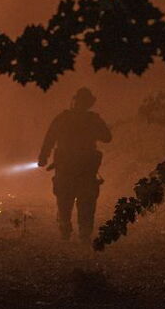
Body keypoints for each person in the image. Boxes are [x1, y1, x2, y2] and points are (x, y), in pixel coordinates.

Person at [37, 87, 112, 243]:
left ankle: (66, 229)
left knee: (65, 200)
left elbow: (49, 139)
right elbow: (107, 137)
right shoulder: (93, 119)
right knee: (86, 201)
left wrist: (43, 157)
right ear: (89, 103)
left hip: (67, 167)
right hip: (86, 168)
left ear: (75, 101)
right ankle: (83, 233)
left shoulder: (62, 118)